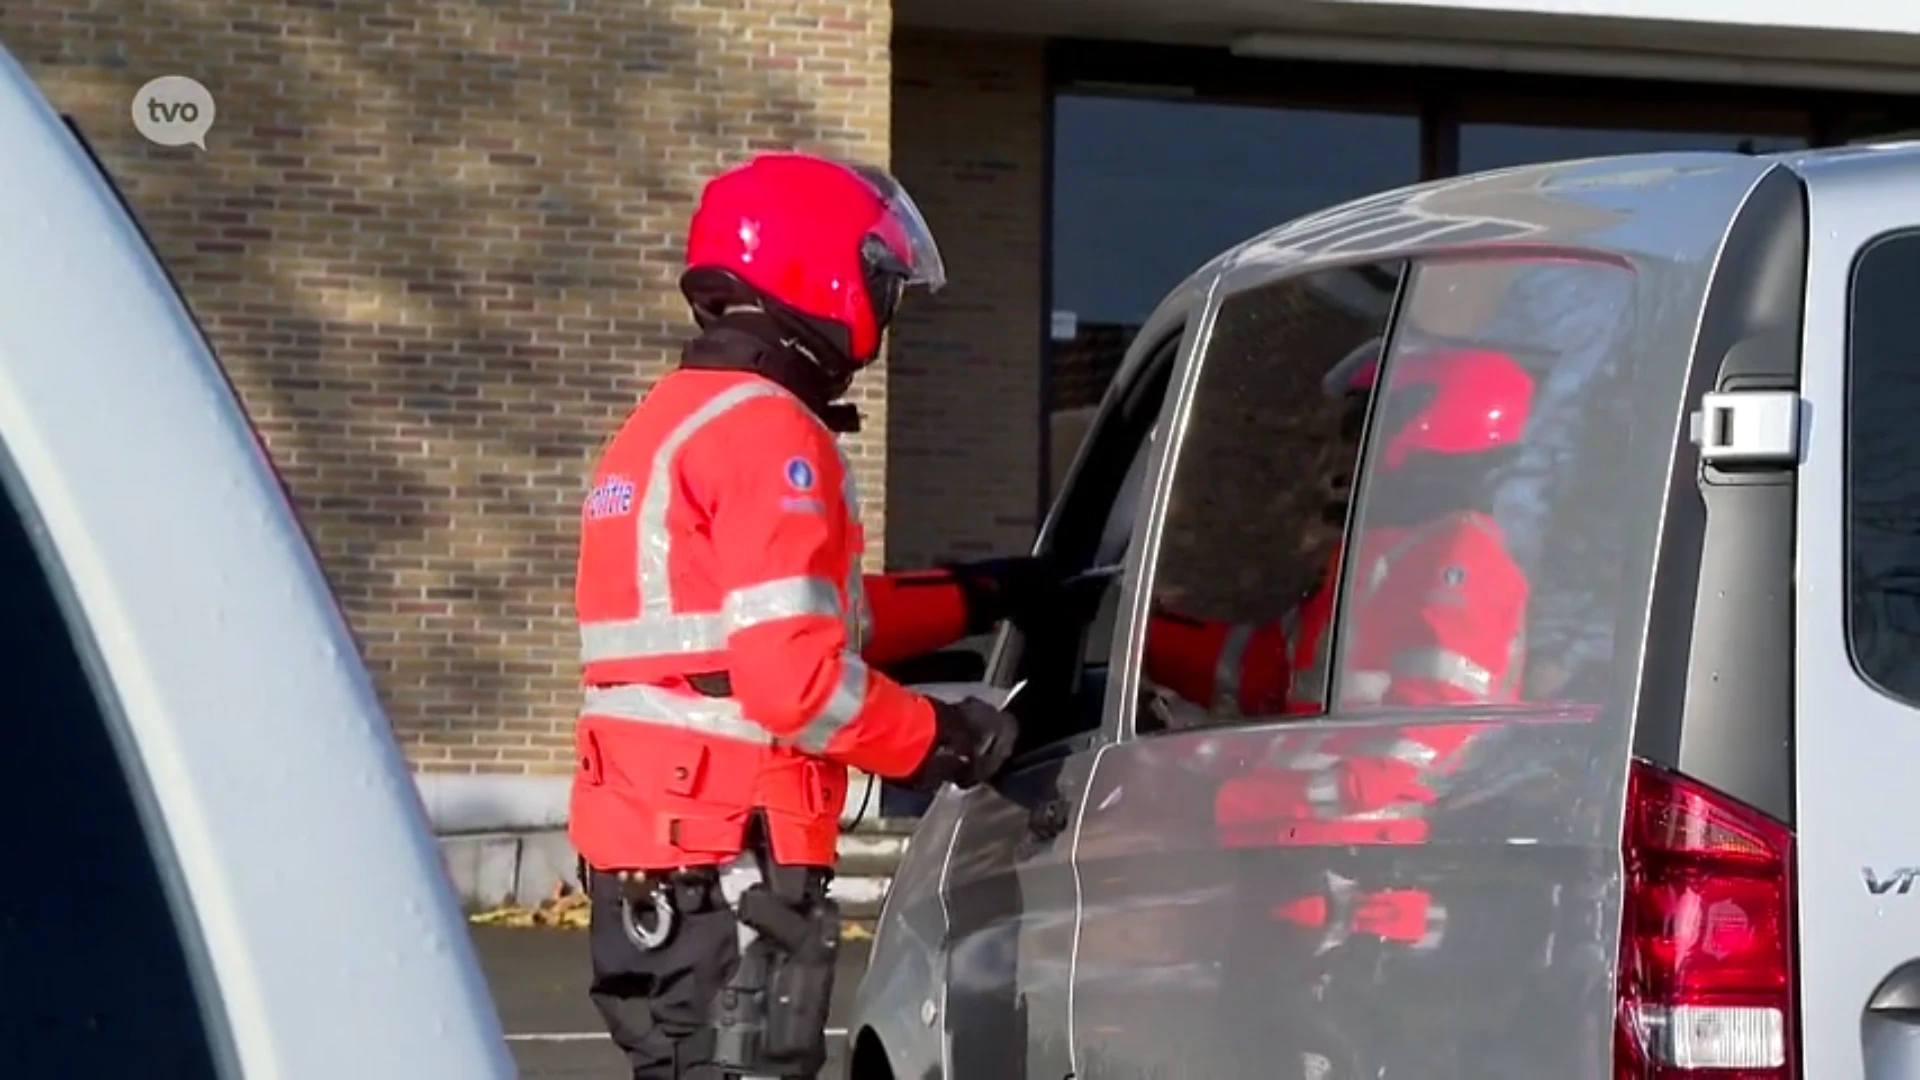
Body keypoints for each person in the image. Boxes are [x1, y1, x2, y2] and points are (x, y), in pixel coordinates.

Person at [570, 151, 1051, 1080]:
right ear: (821, 269)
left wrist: (981, 593)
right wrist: (945, 737)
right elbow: (793, 678)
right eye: (883, 278)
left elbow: (781, 621)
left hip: (659, 862)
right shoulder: (770, 429)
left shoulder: (672, 418)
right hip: (728, 867)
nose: (887, 306)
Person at [1142, 344, 1535, 720]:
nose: (1347, 452)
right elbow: (1273, 676)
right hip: (1303, 776)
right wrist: (1142, 640)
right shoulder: (1385, 554)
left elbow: (1422, 738)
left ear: (1428, 428)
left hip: (1342, 788)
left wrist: (1249, 792)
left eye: (1360, 429)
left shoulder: (1459, 557)